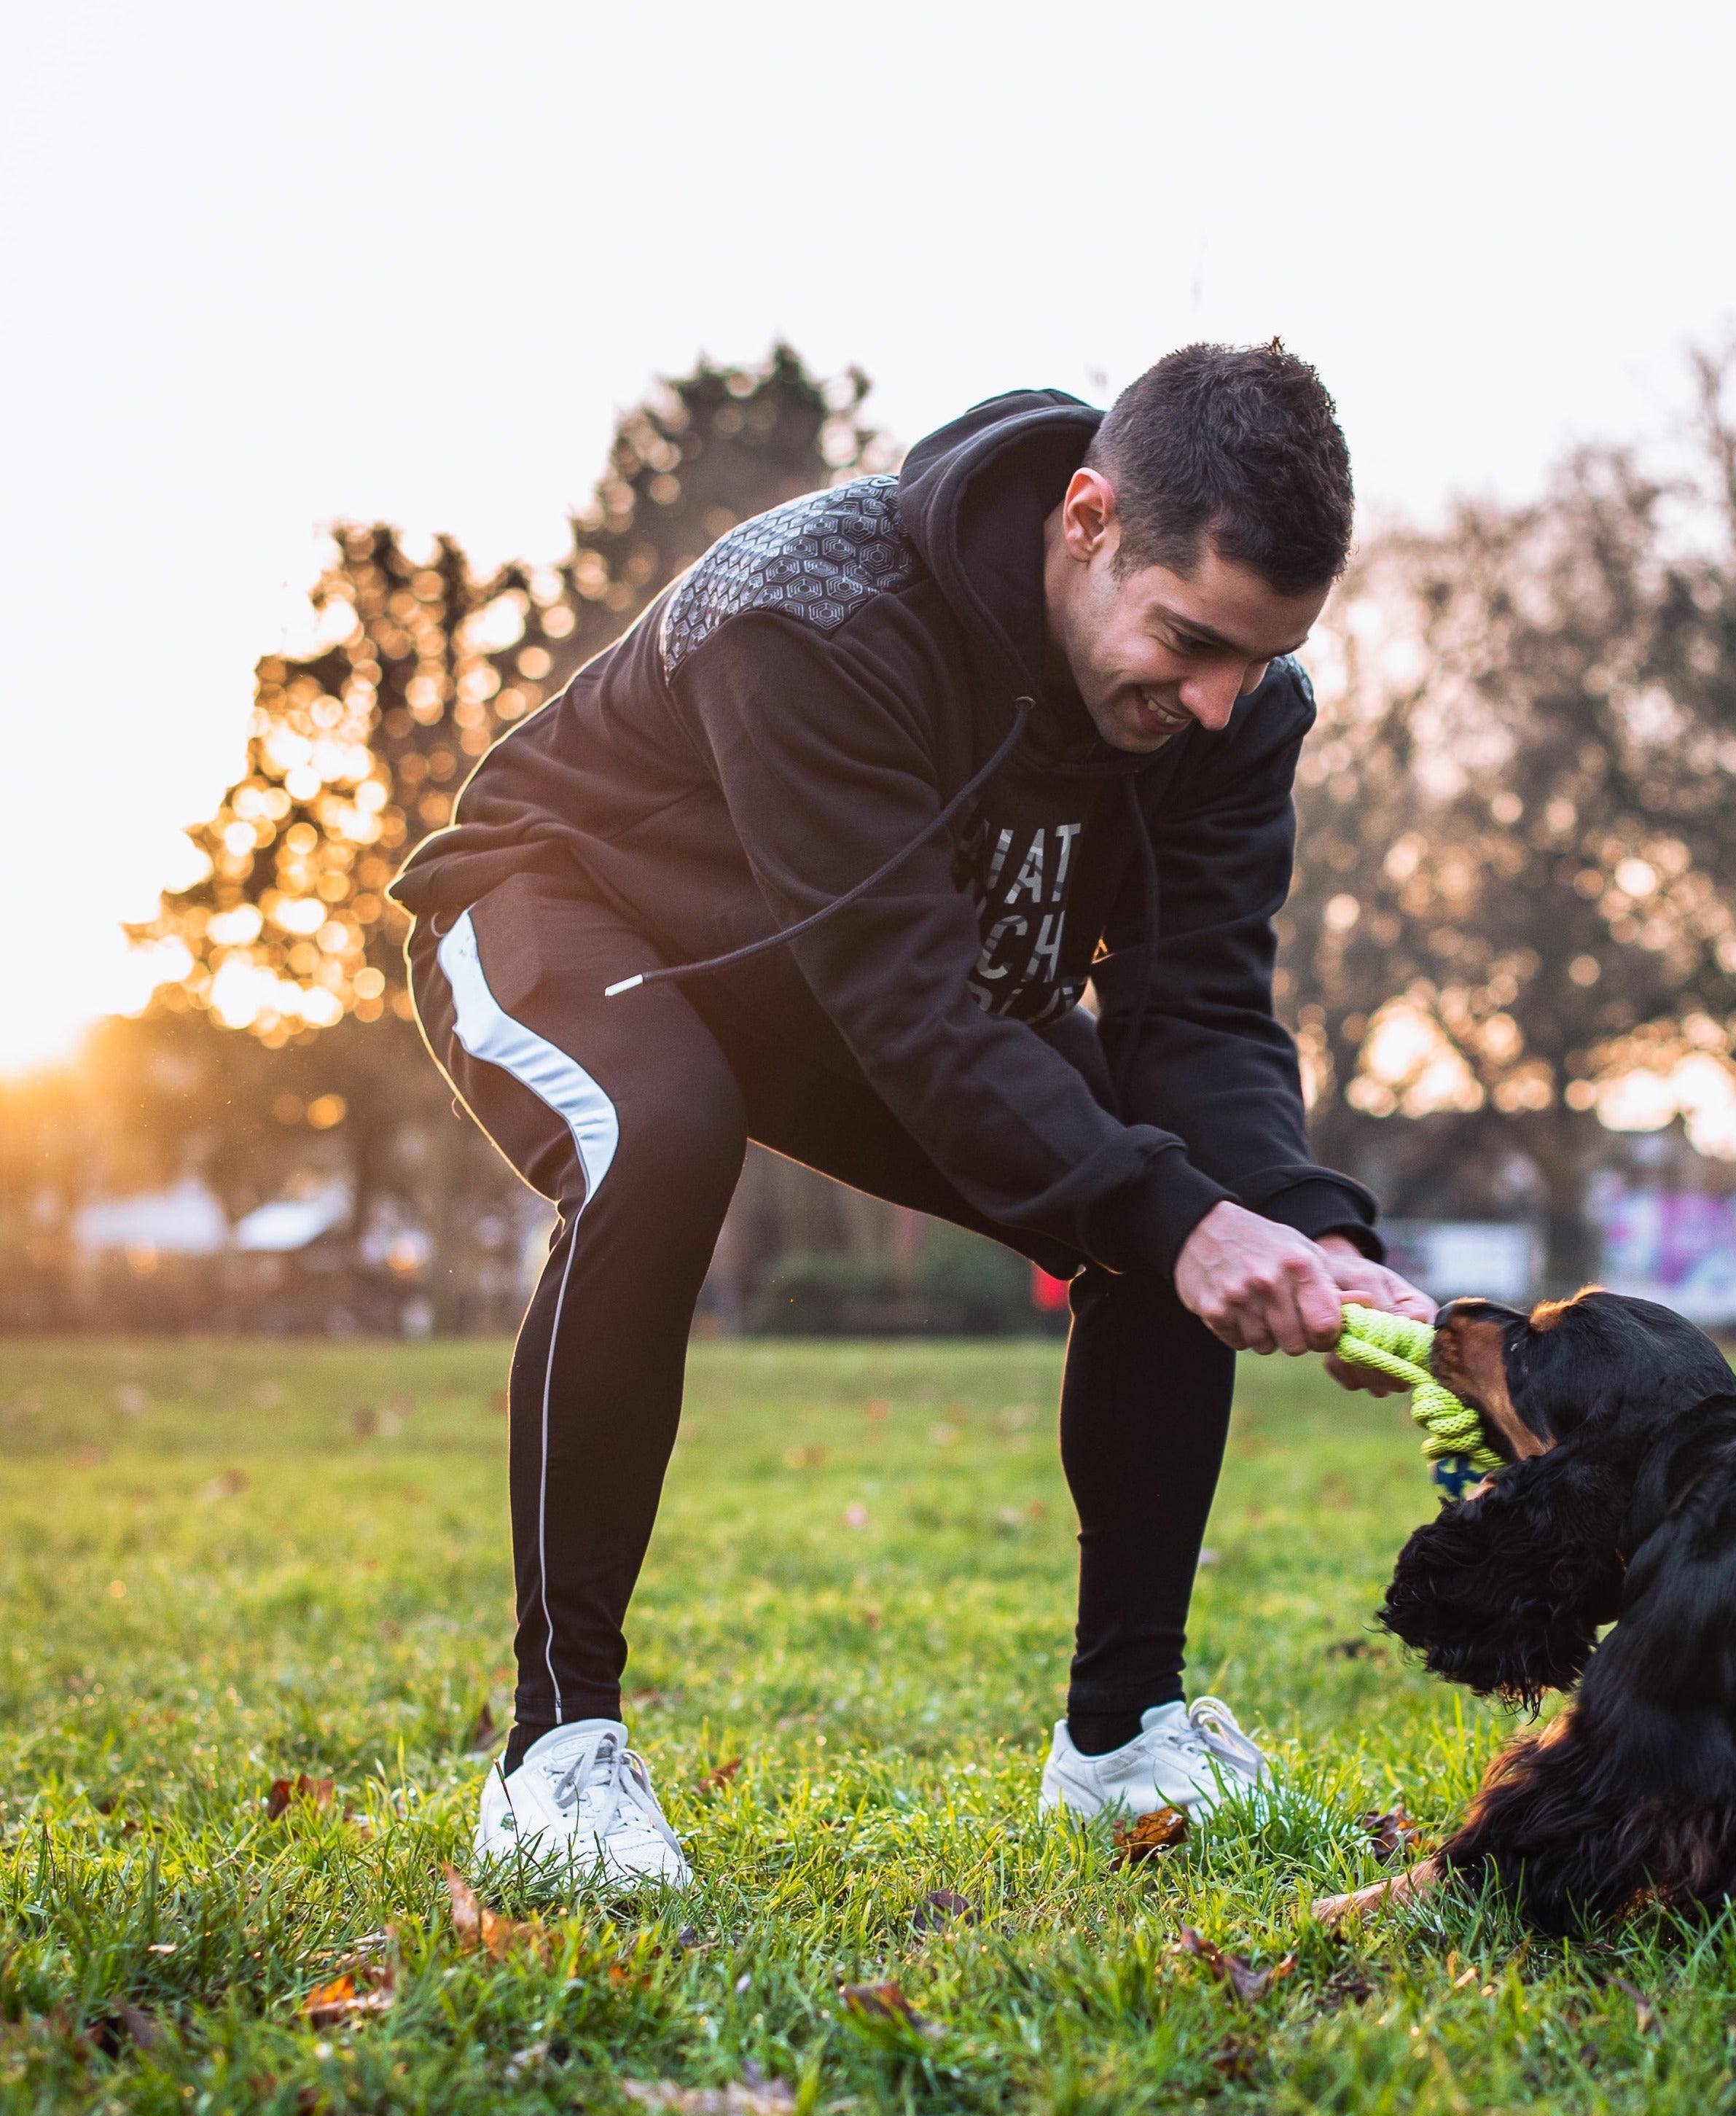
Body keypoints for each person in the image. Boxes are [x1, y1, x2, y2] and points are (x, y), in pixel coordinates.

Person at [391, 343, 1432, 1884]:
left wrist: (1304, 1225)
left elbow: (1197, 1019)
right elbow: (912, 1011)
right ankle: (555, 1755)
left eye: (1256, 659)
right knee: (661, 1134)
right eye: (1190, 639)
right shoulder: (811, 613)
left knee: (1169, 1196)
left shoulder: (1238, 714)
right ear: (1085, 521)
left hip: (864, 979)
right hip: (571, 908)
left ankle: (1121, 1736)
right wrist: (1176, 1209)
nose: (1218, 703)